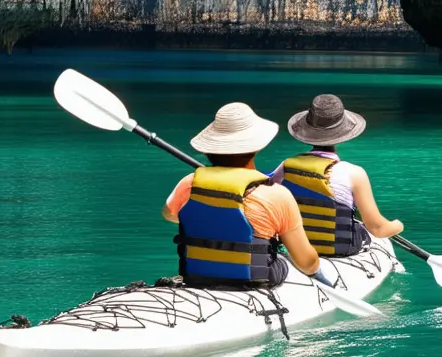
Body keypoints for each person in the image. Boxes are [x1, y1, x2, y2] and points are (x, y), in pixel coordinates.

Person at [161, 102, 326, 288]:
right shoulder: (276, 195)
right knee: (285, 260)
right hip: (254, 280)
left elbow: (170, 214)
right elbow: (307, 263)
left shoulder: (190, 183)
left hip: (196, 277)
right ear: (255, 149)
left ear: (210, 149)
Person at [270, 94, 403, 257]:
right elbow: (378, 229)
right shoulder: (354, 173)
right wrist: (398, 225)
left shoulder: (286, 166)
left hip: (294, 247)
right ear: (342, 135)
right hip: (337, 250)